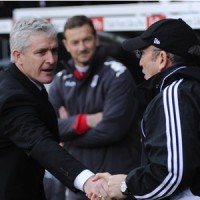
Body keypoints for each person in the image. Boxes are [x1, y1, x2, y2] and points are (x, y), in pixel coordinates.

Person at [0, 17, 108, 200]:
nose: (51, 59)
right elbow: (40, 144)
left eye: (54, 50)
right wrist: (87, 180)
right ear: (18, 56)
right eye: (41, 52)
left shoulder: (24, 83)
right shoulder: (13, 97)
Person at [93, 18, 200, 200]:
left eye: (141, 53)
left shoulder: (175, 93)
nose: (140, 62)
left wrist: (127, 186)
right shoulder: (189, 87)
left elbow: (171, 173)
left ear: (162, 58)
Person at [48, 15, 142, 200]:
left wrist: (69, 134)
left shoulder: (118, 74)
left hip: (115, 184)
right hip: (79, 183)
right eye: (75, 42)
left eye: (87, 40)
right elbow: (49, 128)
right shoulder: (59, 80)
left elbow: (112, 130)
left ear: (96, 39)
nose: (82, 47)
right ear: (66, 45)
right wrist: (85, 121)